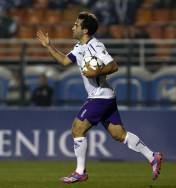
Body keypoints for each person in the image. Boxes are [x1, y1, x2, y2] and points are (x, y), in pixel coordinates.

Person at [36, 11, 162, 184]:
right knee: (119, 135)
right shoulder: (79, 47)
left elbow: (113, 65)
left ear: (85, 30)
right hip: (104, 96)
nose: (73, 27)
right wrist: (49, 46)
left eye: (76, 25)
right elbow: (65, 61)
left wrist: (97, 71)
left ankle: (80, 172)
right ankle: (152, 156)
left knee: (77, 129)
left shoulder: (96, 45)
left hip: (100, 96)